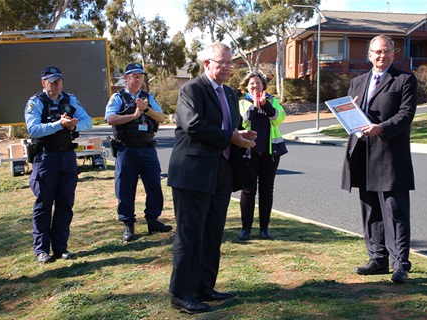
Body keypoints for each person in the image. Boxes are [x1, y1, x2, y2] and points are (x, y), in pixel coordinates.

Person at [167, 42, 257, 314]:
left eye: (230, 63)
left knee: (213, 232)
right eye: (222, 63)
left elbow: (229, 126)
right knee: (190, 235)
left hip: (221, 172)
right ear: (207, 64)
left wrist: (242, 134)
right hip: (192, 173)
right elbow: (193, 124)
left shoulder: (230, 94)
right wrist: (230, 137)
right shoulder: (191, 89)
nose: (228, 68)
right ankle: (181, 294)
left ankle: (204, 287)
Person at [341, 34, 417, 283]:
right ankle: (377, 259)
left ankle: (400, 265)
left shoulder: (405, 79)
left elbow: (406, 115)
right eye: (376, 52)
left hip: (390, 157)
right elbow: (352, 119)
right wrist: (347, 113)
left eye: (386, 51)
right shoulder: (358, 82)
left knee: (394, 213)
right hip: (362, 154)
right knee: (370, 210)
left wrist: (381, 128)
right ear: (369, 55)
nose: (381, 56)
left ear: (393, 53)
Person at [24, 66, 93, 263]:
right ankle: (41, 250)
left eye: (59, 81)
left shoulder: (70, 99)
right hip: (46, 159)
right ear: (43, 83)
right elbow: (34, 129)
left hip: (67, 158)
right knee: (44, 205)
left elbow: (88, 122)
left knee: (65, 204)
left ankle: (61, 248)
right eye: (52, 81)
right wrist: (58, 125)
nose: (57, 84)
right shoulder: (36, 102)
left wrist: (73, 125)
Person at [104, 63, 172, 242]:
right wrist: (132, 117)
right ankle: (128, 225)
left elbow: (161, 117)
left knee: (154, 185)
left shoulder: (148, 97)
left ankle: (153, 220)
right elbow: (109, 118)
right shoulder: (117, 97)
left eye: (140, 76)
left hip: (147, 149)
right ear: (126, 78)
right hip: (126, 149)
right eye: (134, 76)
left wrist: (146, 109)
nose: (137, 80)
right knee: (125, 188)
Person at [237, 71, 287, 240]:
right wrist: (255, 106)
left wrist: (266, 105)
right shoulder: (243, 103)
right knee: (248, 190)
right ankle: (246, 229)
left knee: (267, 191)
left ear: (263, 85)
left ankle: (264, 228)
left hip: (270, 153)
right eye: (251, 83)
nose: (255, 86)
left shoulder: (273, 101)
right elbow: (241, 121)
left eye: (258, 83)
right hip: (248, 152)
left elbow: (279, 118)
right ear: (247, 86)